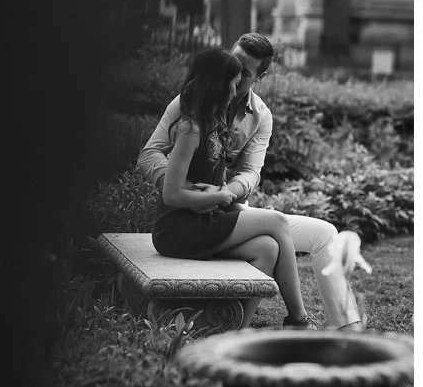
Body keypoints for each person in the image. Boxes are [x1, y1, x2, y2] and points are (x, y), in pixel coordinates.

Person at [138, 32, 363, 330]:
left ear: (260, 76)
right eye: (232, 62)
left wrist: (223, 193)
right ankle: (298, 321)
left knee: (322, 233)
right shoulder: (190, 106)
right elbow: (150, 154)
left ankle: (347, 329)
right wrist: (192, 191)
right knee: (275, 230)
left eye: (243, 72)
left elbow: (250, 174)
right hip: (198, 214)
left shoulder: (259, 116)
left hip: (230, 210)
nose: (234, 74)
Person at [149, 46, 315, 329]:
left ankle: (234, 330)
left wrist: (220, 193)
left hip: (203, 218)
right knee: (277, 221)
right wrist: (220, 194)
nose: (236, 89)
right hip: (178, 228)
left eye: (242, 81)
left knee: (267, 250)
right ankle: (299, 321)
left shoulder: (214, 122)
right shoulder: (191, 128)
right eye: (234, 83)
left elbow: (241, 174)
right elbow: (171, 194)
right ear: (218, 85)